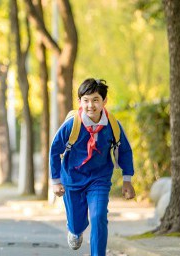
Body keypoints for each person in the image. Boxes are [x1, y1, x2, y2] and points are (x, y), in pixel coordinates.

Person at [49, 78, 135, 256]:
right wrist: (56, 181)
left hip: (99, 179)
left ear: (104, 101)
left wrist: (127, 180)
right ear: (79, 102)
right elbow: (54, 150)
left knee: (98, 217)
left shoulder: (112, 125)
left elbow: (124, 150)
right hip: (72, 178)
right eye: (86, 100)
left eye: (96, 100)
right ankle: (74, 230)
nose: (91, 105)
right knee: (76, 222)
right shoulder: (72, 124)